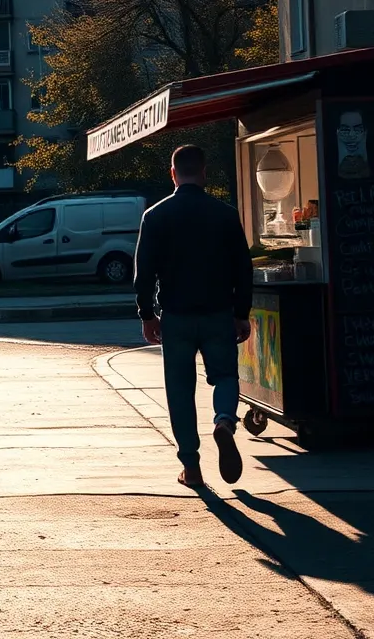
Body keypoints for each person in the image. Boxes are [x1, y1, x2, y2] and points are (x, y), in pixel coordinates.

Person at [134, 144, 255, 488]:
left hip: (176, 317)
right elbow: (242, 269)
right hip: (218, 313)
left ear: (173, 174)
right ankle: (224, 422)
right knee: (226, 376)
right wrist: (241, 313)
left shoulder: (155, 216)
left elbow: (144, 272)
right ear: (204, 172)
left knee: (180, 390)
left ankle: (192, 467)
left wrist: (147, 314)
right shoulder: (225, 214)